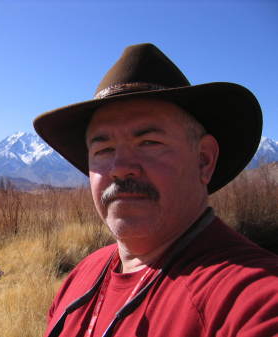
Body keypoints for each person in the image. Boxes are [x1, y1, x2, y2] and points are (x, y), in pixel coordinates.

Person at [33, 43, 278, 337]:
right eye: (104, 149)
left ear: (203, 160)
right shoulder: (81, 279)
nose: (120, 168)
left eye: (149, 142)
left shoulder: (252, 300)